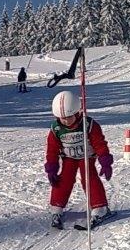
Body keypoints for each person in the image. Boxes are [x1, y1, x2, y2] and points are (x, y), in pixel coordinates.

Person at [45, 90, 114, 229]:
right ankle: (56, 208)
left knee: (89, 177)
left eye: (68, 117)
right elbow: (52, 150)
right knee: (63, 179)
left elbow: (99, 144)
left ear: (77, 112)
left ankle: (100, 208)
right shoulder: (56, 129)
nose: (65, 121)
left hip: (86, 157)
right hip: (68, 158)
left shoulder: (88, 125)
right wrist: (52, 168)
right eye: (61, 118)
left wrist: (105, 161)